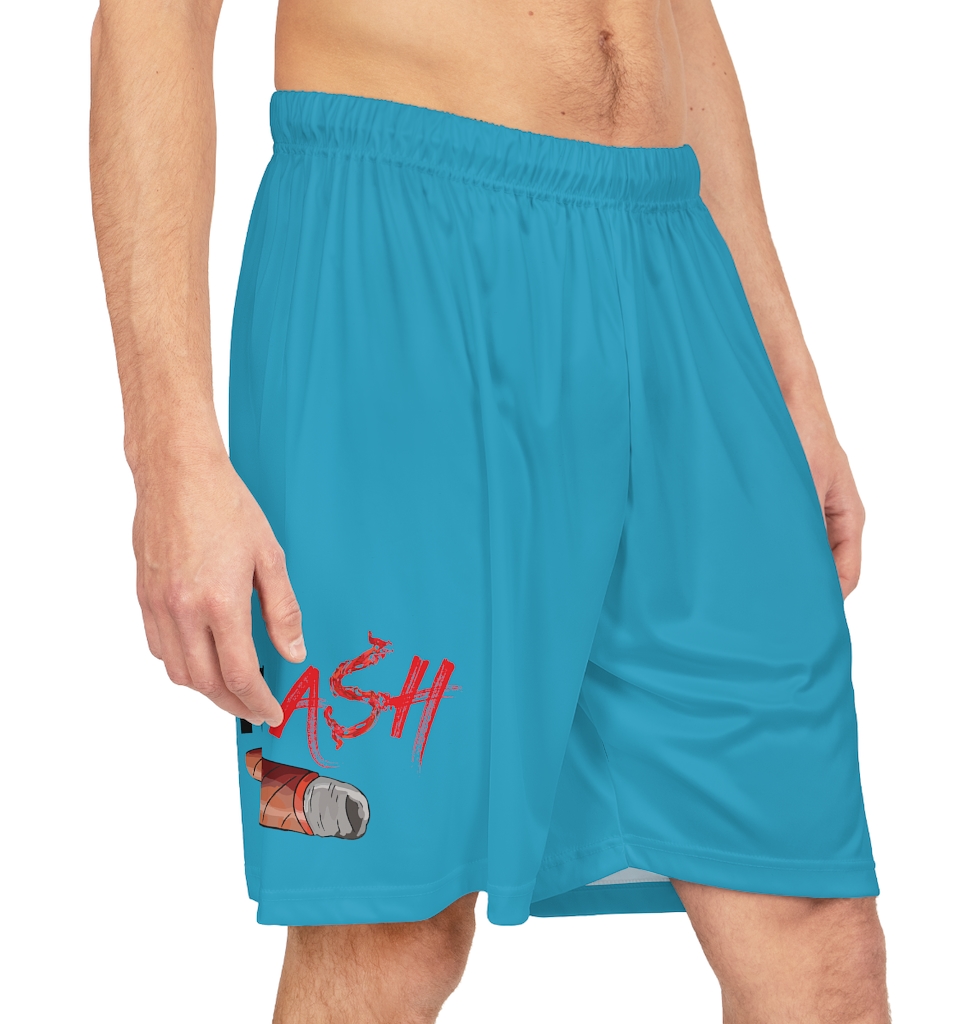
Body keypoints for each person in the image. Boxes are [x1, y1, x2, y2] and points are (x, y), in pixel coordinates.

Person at [90, 0, 889, 1020]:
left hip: (673, 267)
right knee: (389, 931)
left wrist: (785, 373)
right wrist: (169, 452)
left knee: (812, 924)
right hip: (399, 260)